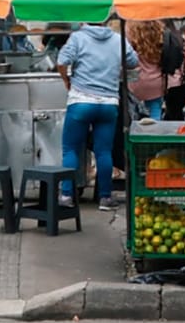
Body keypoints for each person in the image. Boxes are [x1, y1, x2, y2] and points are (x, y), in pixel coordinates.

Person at [57, 22, 138, 210]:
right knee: (104, 152)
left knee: (71, 149)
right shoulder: (119, 40)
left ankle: (67, 195)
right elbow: (133, 62)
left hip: (81, 101)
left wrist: (66, 80)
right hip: (108, 103)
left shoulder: (77, 38)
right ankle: (105, 198)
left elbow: (62, 61)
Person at [126, 20, 185, 121]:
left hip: (135, 82)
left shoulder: (129, 33)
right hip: (157, 83)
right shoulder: (161, 34)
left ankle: (134, 133)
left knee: (131, 111)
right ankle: (154, 133)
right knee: (155, 110)